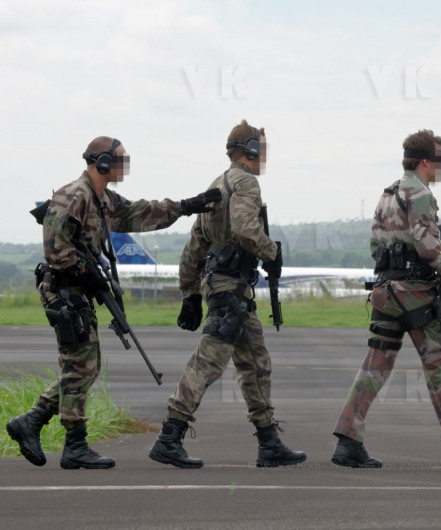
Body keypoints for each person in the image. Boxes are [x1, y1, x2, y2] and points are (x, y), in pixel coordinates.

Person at [6, 136, 220, 469]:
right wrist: (86, 272)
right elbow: (55, 249)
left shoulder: (103, 199)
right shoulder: (73, 196)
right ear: (102, 162)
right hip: (64, 290)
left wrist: (185, 206)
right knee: (81, 366)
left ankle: (32, 420)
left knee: (84, 367)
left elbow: (142, 213)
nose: (124, 167)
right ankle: (74, 445)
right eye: (119, 161)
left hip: (78, 289)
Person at [331, 129, 441, 468]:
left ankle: (347, 438)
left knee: (375, 365)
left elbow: (374, 246)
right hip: (415, 296)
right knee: (439, 366)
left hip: (385, 291)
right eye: (439, 160)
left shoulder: (388, 194)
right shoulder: (420, 194)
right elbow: (428, 245)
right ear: (427, 161)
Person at [148, 119, 306, 469]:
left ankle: (269, 442)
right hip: (230, 287)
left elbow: (194, 247)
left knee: (255, 363)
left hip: (225, 288)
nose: (264, 156)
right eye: (261, 149)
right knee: (208, 361)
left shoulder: (216, 185)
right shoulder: (245, 183)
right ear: (249, 150)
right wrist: (272, 253)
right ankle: (169, 437)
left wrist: (190, 293)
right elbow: (247, 230)